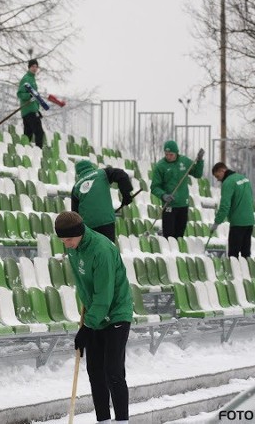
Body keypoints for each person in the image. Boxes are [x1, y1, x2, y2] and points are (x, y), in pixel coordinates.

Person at [55, 211, 132, 424]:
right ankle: (103, 421)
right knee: (95, 372)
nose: (66, 243)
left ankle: (122, 421)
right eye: (62, 239)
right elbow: (84, 284)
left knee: (113, 372)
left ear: (80, 233)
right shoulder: (74, 249)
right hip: (94, 314)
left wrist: (87, 328)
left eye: (69, 238)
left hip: (116, 313)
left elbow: (104, 295)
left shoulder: (102, 250)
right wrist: (88, 317)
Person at [150, 140, 204, 238]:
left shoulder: (185, 161)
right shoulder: (160, 166)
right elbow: (154, 187)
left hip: (183, 204)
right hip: (169, 205)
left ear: (176, 152)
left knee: (179, 236)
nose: (169, 157)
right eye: (166, 154)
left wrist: (200, 161)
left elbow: (198, 174)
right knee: (169, 236)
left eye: (171, 154)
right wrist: (163, 195)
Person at [71, 160, 134, 242]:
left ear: (77, 172)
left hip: (89, 227)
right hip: (106, 221)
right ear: (91, 167)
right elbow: (121, 174)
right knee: (108, 250)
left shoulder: (75, 187)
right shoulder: (102, 173)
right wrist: (126, 195)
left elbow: (75, 215)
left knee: (94, 251)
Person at [210, 162, 255, 257]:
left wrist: (216, 222)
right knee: (246, 253)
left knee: (233, 255)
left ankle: (235, 272)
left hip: (238, 222)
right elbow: (251, 197)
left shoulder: (228, 183)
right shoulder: (244, 178)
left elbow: (224, 206)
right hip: (250, 220)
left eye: (218, 176)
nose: (218, 180)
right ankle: (245, 271)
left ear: (222, 170)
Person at [16, 59, 45, 147]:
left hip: (32, 110)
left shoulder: (32, 79)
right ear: (29, 67)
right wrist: (29, 96)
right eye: (33, 66)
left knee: (28, 134)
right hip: (29, 110)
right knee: (39, 132)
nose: (34, 68)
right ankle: (38, 151)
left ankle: (25, 151)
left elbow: (35, 96)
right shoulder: (26, 78)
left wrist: (37, 108)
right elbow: (20, 93)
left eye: (36, 67)